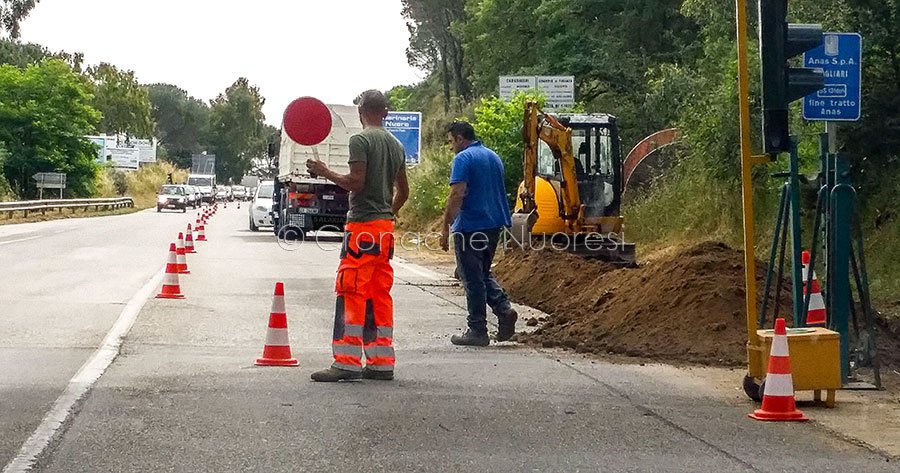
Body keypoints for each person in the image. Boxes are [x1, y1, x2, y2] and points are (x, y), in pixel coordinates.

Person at [306, 90, 409, 382]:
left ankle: (346, 361)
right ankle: (381, 362)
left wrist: (325, 171)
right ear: (385, 112)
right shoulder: (396, 145)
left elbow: (356, 182)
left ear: (360, 111)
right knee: (379, 294)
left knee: (351, 290)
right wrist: (388, 213)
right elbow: (404, 191)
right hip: (384, 230)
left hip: (362, 228)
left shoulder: (360, 141)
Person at [440, 121, 517, 347]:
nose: (451, 147)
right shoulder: (493, 156)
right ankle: (504, 310)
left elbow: (457, 193)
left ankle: (477, 330)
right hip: (494, 224)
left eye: (451, 142)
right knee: (481, 272)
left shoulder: (463, 158)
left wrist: (445, 226)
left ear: (460, 138)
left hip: (471, 226)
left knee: (472, 278)